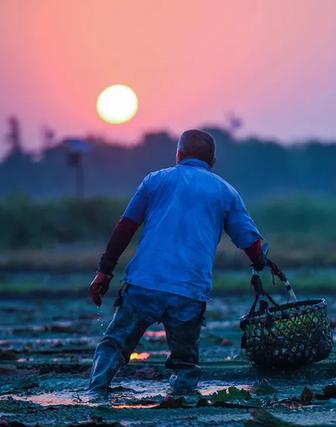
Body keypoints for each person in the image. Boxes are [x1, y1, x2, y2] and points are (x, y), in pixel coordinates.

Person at [87, 129, 267, 395]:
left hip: (144, 284)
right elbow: (251, 243)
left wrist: (104, 271)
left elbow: (125, 228)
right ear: (212, 161)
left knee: (114, 344)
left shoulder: (155, 181)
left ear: (178, 155)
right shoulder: (225, 192)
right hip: (190, 291)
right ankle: (182, 401)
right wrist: (261, 263)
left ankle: (96, 391)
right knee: (185, 363)